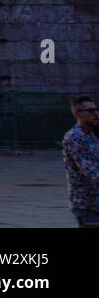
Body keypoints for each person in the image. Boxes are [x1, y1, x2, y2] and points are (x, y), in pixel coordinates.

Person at [62, 93, 99, 227]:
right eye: (90, 111)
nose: (95, 113)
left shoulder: (94, 134)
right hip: (86, 205)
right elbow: (89, 172)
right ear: (78, 113)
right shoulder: (74, 137)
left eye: (96, 110)